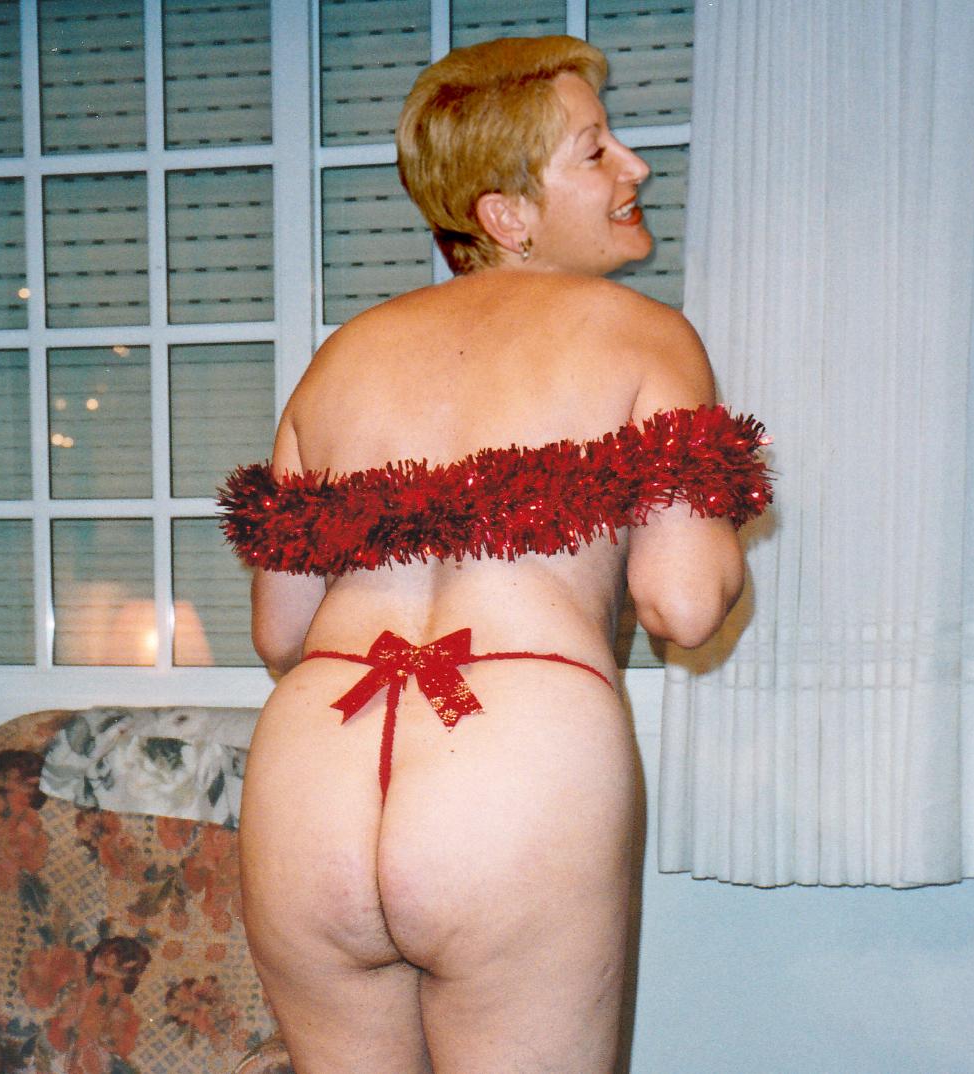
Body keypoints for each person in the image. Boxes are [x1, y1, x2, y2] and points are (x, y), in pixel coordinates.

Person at [221, 35, 769, 1074]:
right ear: (506, 215)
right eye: (595, 151)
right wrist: (721, 511)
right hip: (511, 765)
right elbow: (686, 603)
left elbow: (280, 632)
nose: (635, 168)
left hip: (312, 782)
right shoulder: (644, 334)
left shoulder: (342, 357)